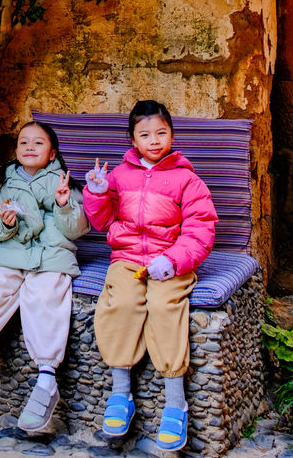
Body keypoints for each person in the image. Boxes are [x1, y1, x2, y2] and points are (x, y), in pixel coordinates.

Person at [83, 100, 218, 452]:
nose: (154, 140)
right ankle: (120, 393)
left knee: (163, 304)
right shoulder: (119, 176)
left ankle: (176, 402)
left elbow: (200, 228)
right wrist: (96, 193)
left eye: (161, 132)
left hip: (169, 262)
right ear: (132, 139)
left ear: (172, 134)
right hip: (127, 259)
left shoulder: (187, 179)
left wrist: (173, 261)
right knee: (122, 301)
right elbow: (99, 221)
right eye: (145, 134)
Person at [0, 120, 90, 433]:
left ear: (51, 154)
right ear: (17, 151)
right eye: (24, 142)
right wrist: (5, 223)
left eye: (38, 143)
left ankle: (47, 379)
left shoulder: (63, 182)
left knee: (45, 297)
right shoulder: (4, 182)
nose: (30, 147)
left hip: (51, 256)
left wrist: (63, 205)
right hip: (11, 253)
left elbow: (76, 230)